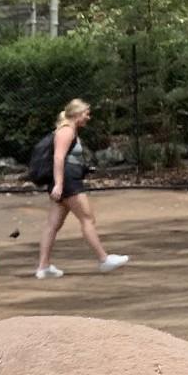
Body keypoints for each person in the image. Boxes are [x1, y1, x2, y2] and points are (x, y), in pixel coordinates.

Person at [33, 98, 130, 278]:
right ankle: (104, 260)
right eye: (86, 113)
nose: (88, 117)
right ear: (76, 114)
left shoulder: (69, 131)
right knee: (87, 218)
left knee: (53, 225)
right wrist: (60, 184)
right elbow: (59, 158)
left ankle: (43, 267)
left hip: (65, 181)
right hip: (68, 182)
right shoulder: (66, 131)